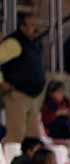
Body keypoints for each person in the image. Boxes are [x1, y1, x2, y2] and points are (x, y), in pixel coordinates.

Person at [0, 14, 47, 143]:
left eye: (36, 25)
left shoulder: (35, 44)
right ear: (22, 27)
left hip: (33, 96)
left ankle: (30, 163)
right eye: (32, 25)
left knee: (33, 137)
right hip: (17, 95)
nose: (36, 28)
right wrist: (1, 81)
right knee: (17, 135)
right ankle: (11, 162)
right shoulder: (14, 43)